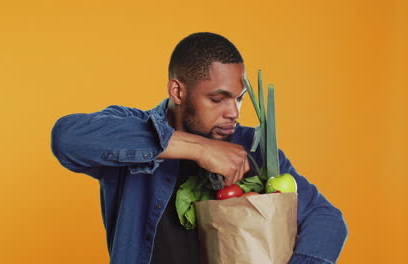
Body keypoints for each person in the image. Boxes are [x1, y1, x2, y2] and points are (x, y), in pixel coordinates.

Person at [51, 32, 348, 264]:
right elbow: (68, 139)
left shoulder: (253, 148)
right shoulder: (131, 128)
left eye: (239, 98)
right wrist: (200, 149)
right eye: (218, 99)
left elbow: (327, 220)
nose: (234, 112)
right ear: (178, 91)